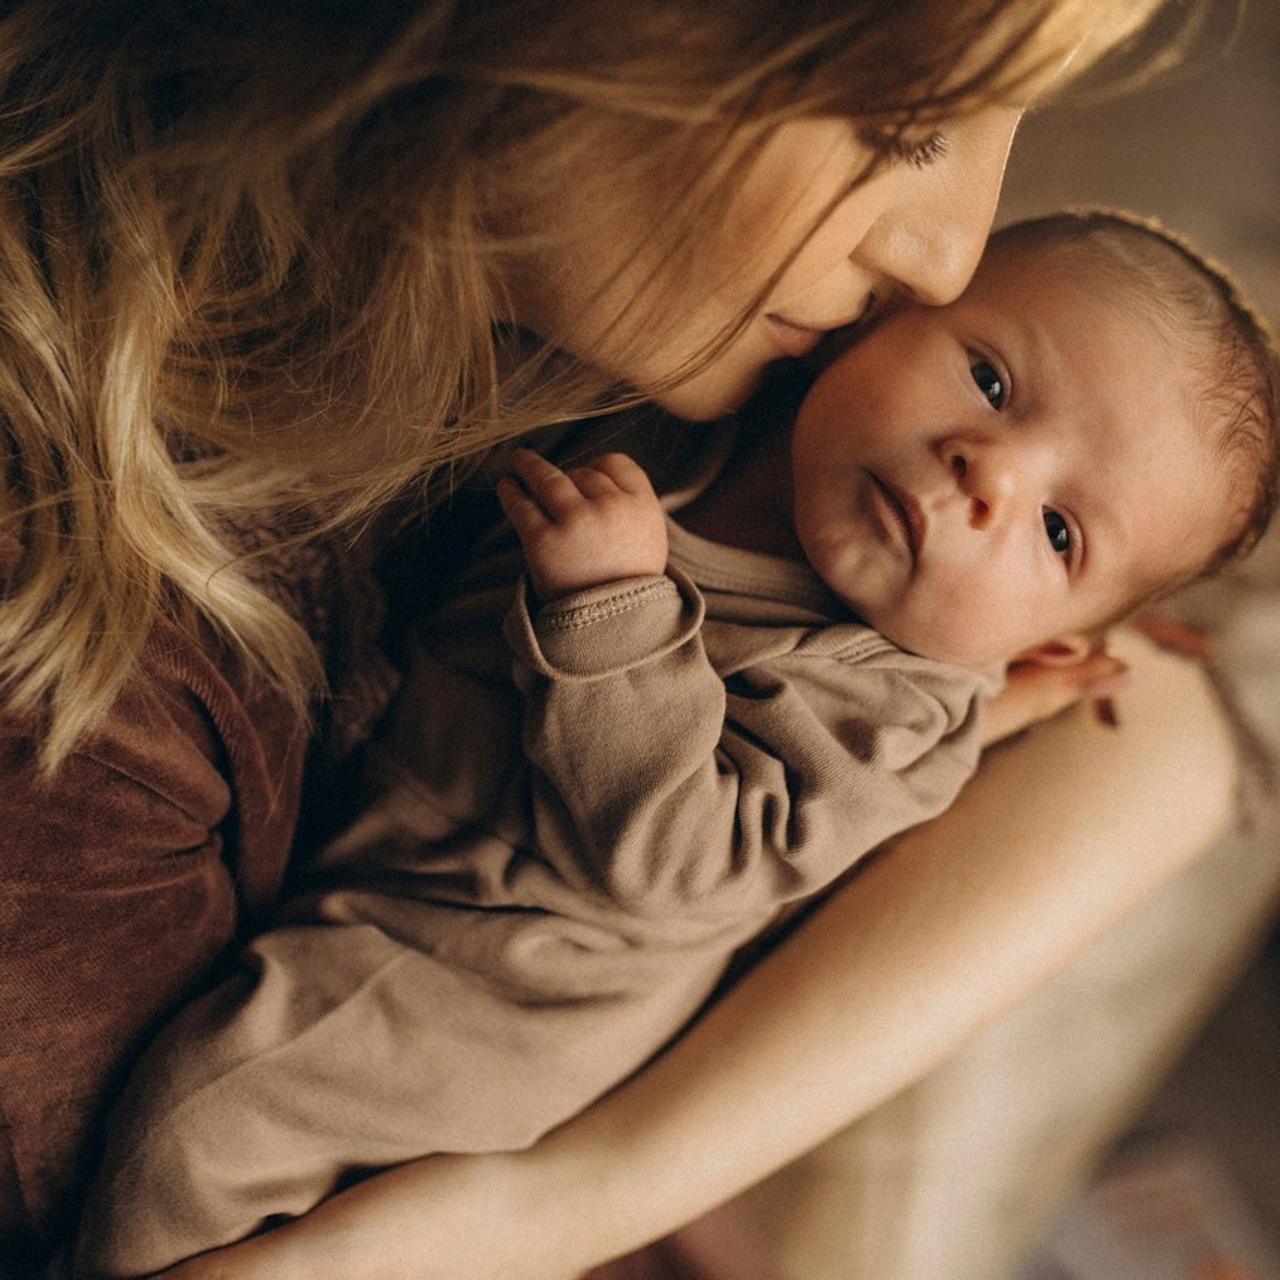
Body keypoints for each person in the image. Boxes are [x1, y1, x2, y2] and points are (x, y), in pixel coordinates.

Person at [0, 0, 1223, 1275]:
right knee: (190, 1148)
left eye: (1061, 535)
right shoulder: (737, 428)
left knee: (206, 1147)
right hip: (400, 961)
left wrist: (575, 1197)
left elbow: (1154, 739)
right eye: (904, 120)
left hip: (480, 1008)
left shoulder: (864, 617)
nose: (947, 256)